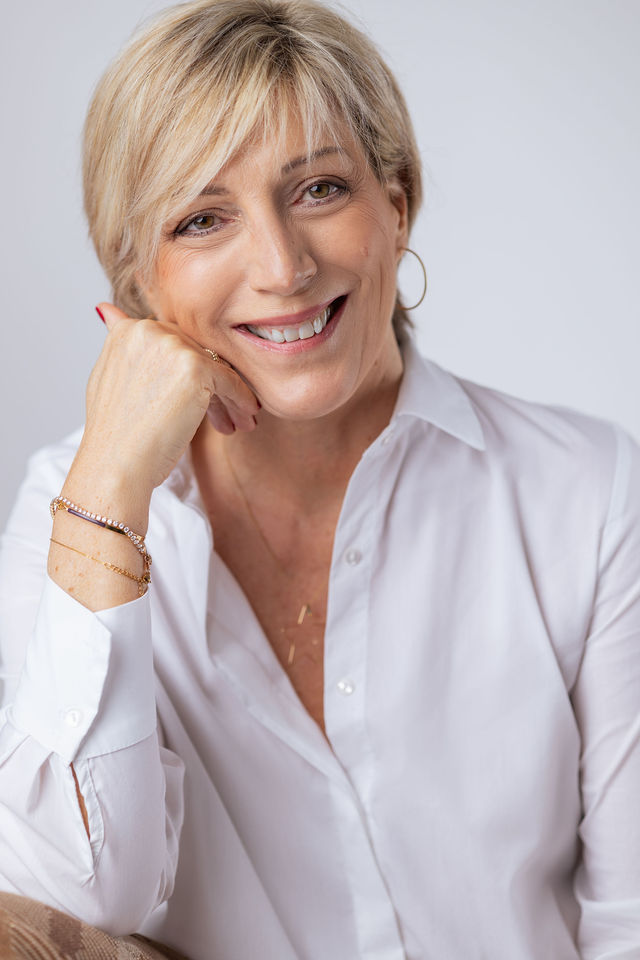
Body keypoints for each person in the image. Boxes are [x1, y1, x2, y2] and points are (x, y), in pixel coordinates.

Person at [0, 0, 638, 957]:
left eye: (319, 191)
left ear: (398, 202)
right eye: (204, 219)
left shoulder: (587, 494)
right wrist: (109, 488)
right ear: (138, 287)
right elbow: (84, 898)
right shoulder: (75, 504)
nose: (283, 265)